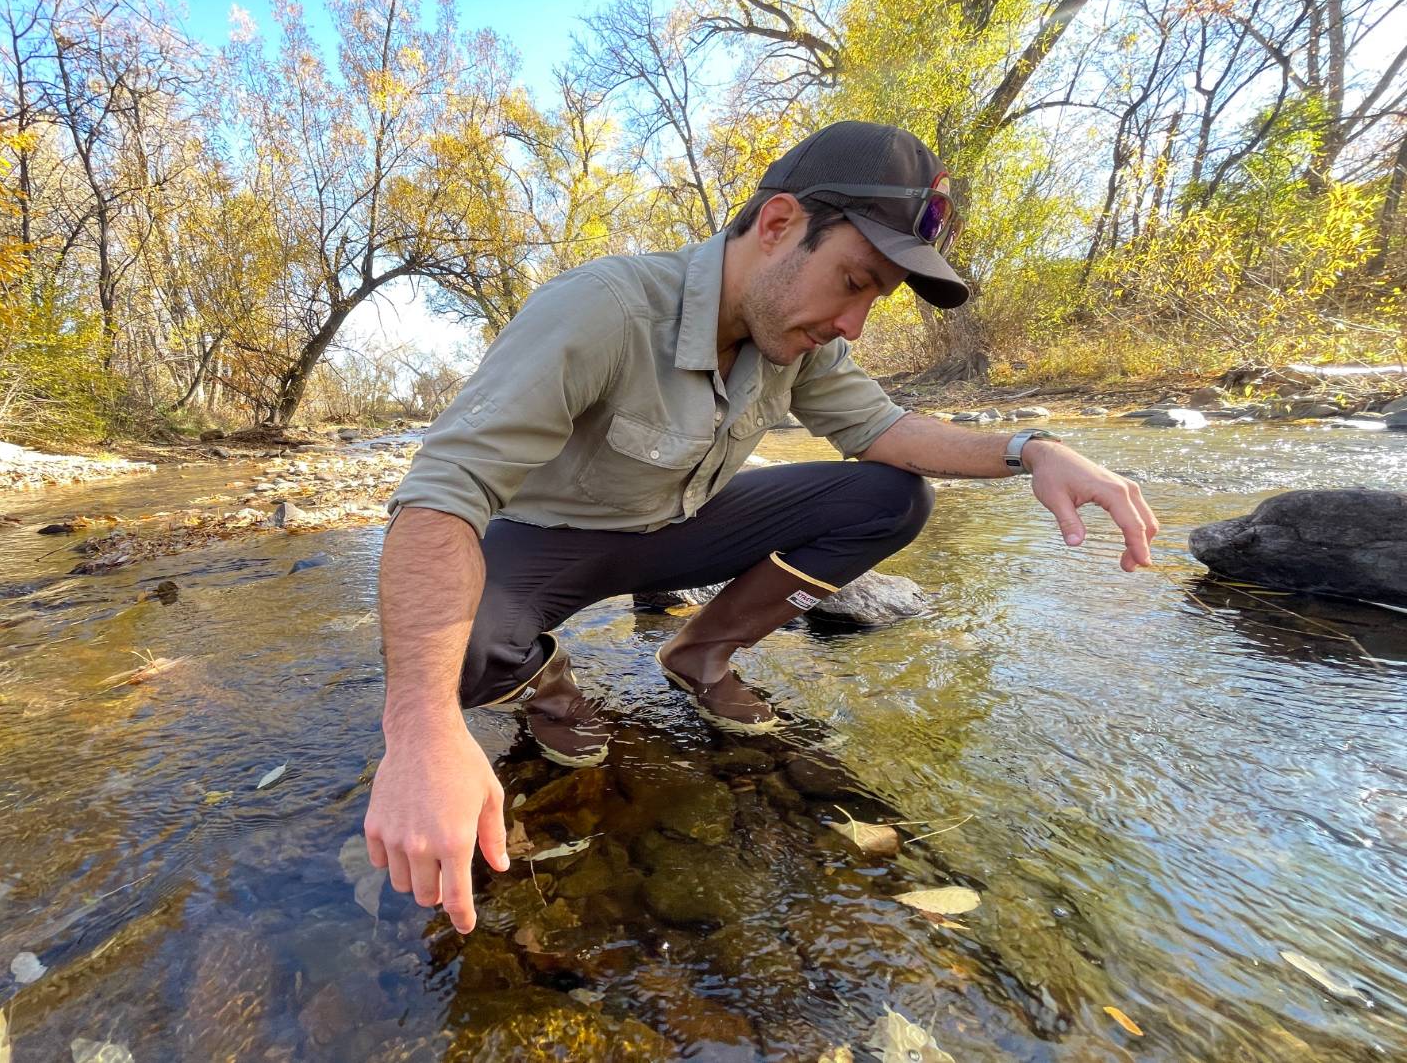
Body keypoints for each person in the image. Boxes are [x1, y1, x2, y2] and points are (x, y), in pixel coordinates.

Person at [365, 122, 1159, 934]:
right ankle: (546, 683)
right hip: (548, 543)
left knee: (892, 497)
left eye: (872, 298)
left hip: (680, 527)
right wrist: (420, 729)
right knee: (442, 657)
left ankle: (699, 651)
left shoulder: (799, 339)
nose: (853, 323)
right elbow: (440, 497)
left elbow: (883, 428)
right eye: (853, 280)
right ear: (778, 224)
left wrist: (1034, 449)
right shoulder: (602, 309)